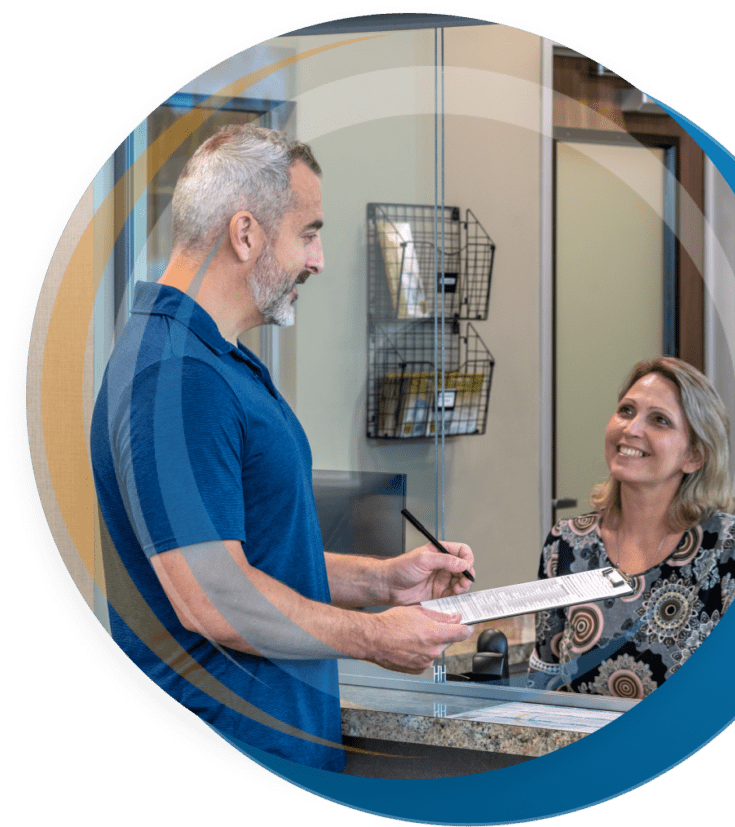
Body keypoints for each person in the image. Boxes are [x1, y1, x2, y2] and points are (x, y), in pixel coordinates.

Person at [90, 124, 475, 772]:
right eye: (309, 232)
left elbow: (254, 558)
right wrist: (374, 637)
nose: (319, 260)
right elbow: (214, 596)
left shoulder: (217, 361)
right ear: (246, 234)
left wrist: (378, 580)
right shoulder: (177, 376)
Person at [529, 357, 735, 699]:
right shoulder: (566, 542)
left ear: (694, 456)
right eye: (626, 411)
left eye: (659, 420)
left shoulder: (730, 546)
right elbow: (544, 679)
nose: (632, 429)